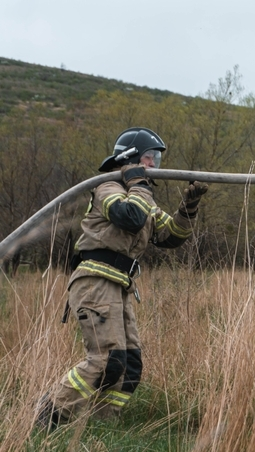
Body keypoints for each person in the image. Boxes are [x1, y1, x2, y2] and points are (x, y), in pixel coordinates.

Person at [36, 127, 209, 430]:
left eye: (156, 159)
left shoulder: (142, 198)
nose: (154, 164)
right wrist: (139, 184)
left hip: (118, 285)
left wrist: (188, 207)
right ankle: (45, 418)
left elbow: (171, 236)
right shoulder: (108, 187)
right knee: (106, 360)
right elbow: (129, 217)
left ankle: (102, 426)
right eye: (149, 157)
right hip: (94, 281)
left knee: (129, 365)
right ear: (130, 159)